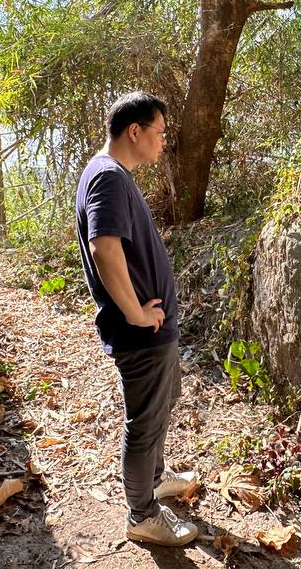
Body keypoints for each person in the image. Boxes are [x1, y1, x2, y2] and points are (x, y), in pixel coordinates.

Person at [74, 91, 199, 546]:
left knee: (161, 408)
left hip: (152, 331)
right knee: (145, 422)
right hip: (140, 333)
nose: (163, 142)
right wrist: (134, 312)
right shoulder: (107, 177)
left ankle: (153, 479)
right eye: (160, 132)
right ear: (135, 131)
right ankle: (142, 514)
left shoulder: (112, 175)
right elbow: (103, 247)